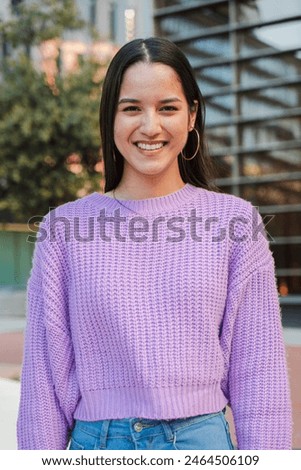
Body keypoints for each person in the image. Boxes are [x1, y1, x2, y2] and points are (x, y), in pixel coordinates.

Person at [17, 37, 292, 450]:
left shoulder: (235, 223)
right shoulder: (64, 230)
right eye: (131, 108)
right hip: (98, 446)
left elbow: (260, 377)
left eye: (167, 107)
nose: (150, 126)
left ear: (192, 115)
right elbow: (43, 381)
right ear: (110, 117)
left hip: (202, 445)